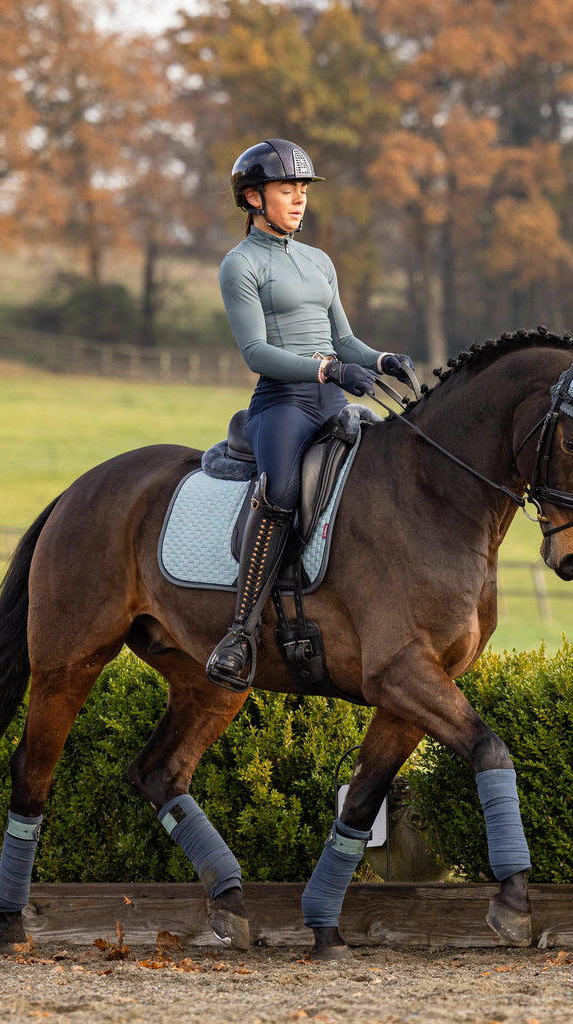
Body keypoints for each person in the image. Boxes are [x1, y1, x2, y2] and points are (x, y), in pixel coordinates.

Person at [205, 138, 415, 691]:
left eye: (302, 189)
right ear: (253, 197)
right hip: (283, 405)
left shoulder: (319, 260)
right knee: (278, 491)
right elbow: (255, 353)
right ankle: (241, 631)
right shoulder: (240, 265)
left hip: (333, 400)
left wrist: (382, 359)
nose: (298, 199)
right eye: (285, 189)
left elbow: (343, 339)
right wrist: (325, 370)